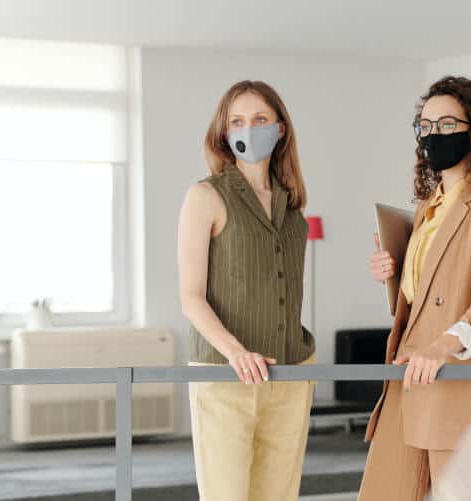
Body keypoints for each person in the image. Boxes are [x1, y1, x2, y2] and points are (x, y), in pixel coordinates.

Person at [359, 75, 471, 500]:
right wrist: (394, 273)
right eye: (426, 126)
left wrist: (439, 348)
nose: (435, 135)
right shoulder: (426, 209)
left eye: (447, 125)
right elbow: (420, 300)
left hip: (455, 381)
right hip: (407, 376)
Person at [177, 80, 316, 501]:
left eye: (259, 119)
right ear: (223, 132)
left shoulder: (293, 207)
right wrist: (235, 351)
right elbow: (191, 296)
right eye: (237, 121)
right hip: (224, 374)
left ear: (280, 130)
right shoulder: (205, 196)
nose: (247, 129)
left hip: (291, 371)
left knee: (280, 496)